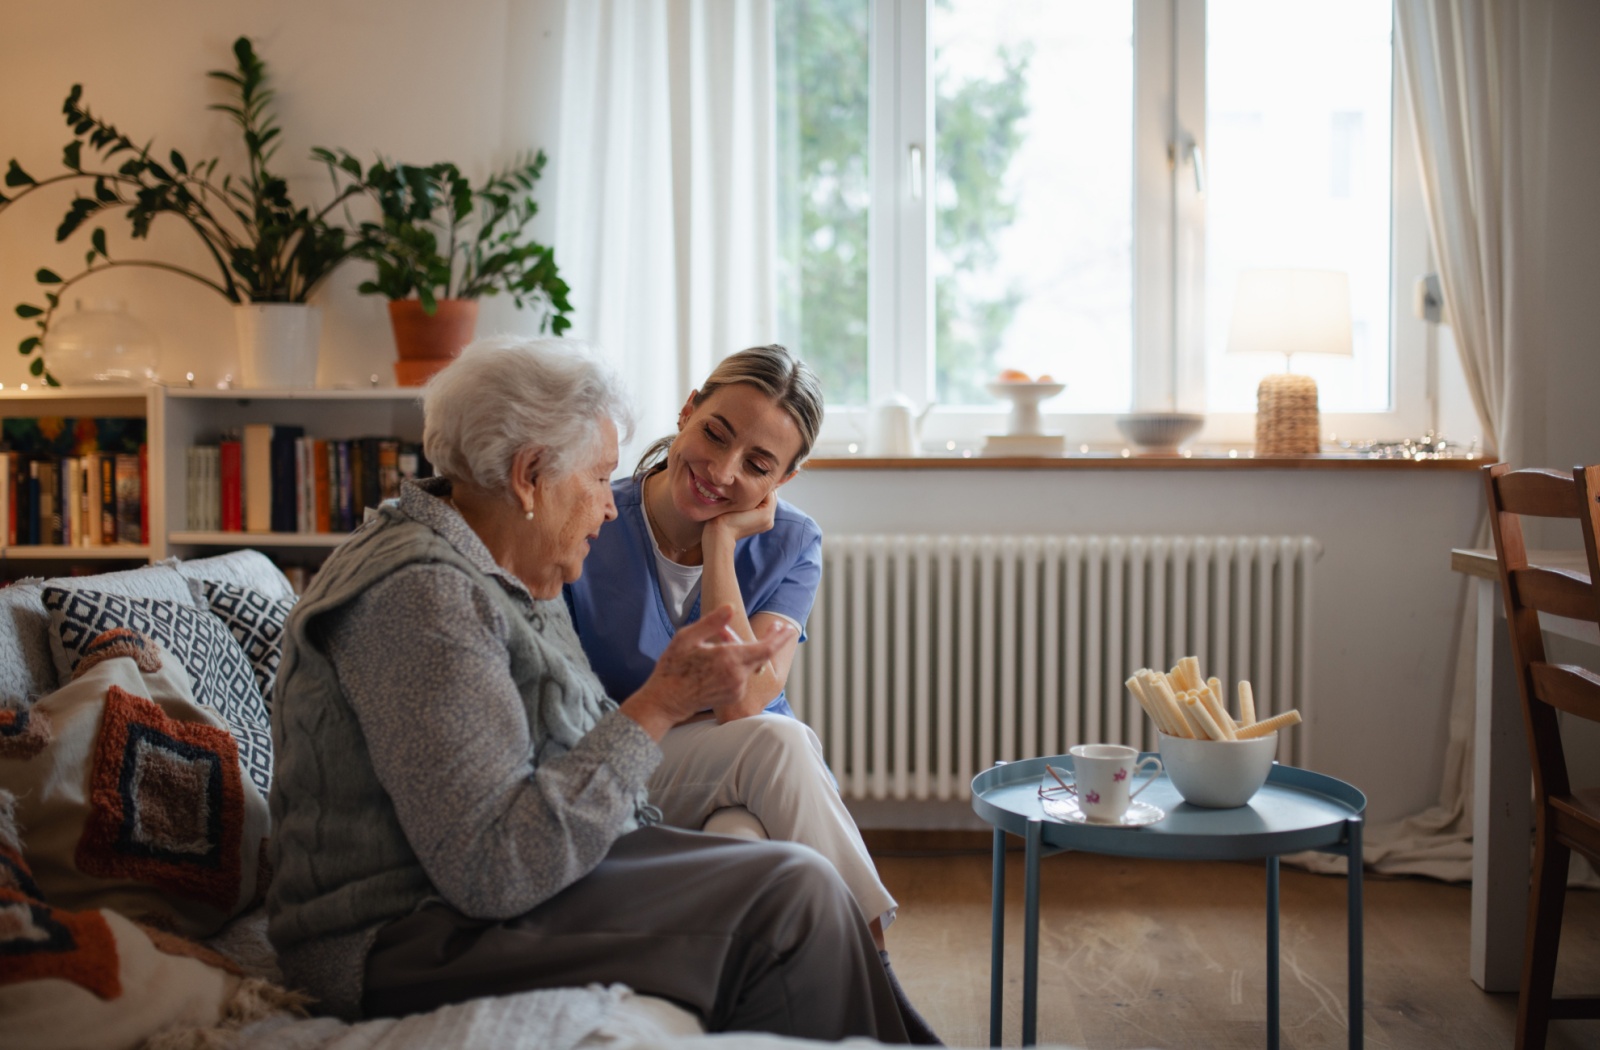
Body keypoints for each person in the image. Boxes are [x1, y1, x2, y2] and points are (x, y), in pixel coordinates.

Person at [266, 336, 910, 1042]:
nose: (610, 507)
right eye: (601, 477)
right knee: (792, 893)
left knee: (786, 874)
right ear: (530, 476)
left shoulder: (510, 561)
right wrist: (661, 702)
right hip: (405, 933)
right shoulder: (424, 598)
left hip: (495, 883)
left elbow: (563, 752)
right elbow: (493, 871)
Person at [564, 345, 938, 1044]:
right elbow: (745, 711)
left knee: (746, 839)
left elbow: (743, 700)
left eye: (758, 465)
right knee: (775, 739)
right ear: (687, 411)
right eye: (715, 434)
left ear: (784, 479)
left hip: (744, 774)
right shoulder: (595, 515)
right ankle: (886, 994)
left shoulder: (793, 541)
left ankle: (792, 1021)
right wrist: (723, 530)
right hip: (627, 760)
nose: (722, 471)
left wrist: (721, 544)